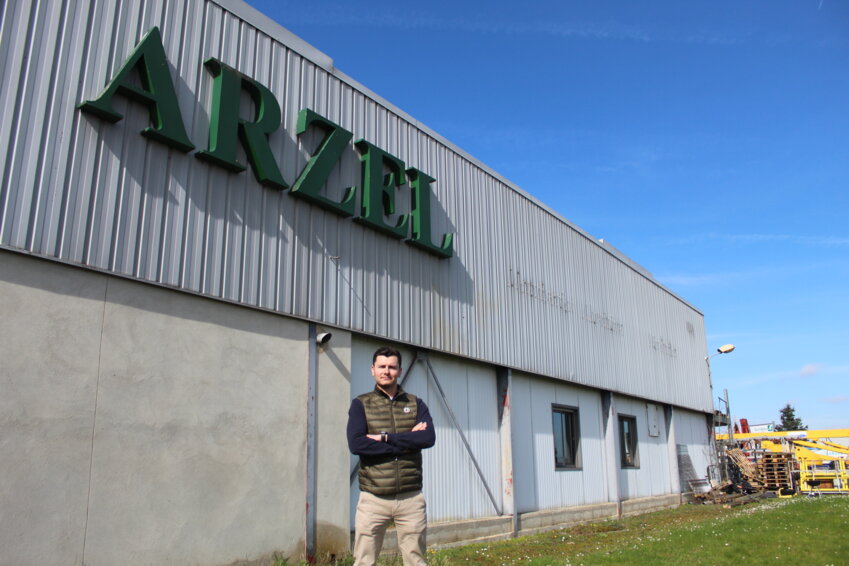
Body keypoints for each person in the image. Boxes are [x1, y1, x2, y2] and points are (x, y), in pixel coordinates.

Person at [347, 346, 436, 566]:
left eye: (392, 367)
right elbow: (357, 444)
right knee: (364, 562)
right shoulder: (360, 404)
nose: (386, 371)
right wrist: (408, 441)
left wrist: (384, 438)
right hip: (373, 498)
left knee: (416, 561)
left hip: (411, 498)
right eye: (382, 366)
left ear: (399, 371)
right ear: (373, 370)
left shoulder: (416, 403)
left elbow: (427, 438)